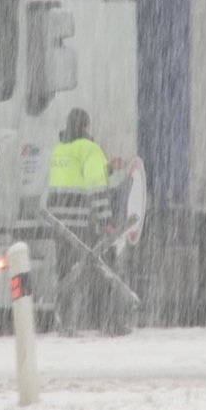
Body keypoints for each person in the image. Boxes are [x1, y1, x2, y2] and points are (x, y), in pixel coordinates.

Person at [47, 108, 129, 336]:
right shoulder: (90, 149)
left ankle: (64, 323)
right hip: (81, 222)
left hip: (59, 223)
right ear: (86, 127)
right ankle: (110, 322)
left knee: (66, 271)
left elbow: (78, 175)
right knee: (104, 268)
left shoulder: (60, 150)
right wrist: (106, 221)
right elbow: (96, 189)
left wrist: (109, 167)